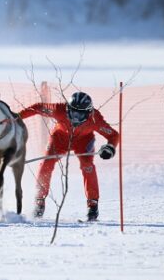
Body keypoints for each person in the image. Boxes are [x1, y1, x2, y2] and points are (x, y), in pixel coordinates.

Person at [18, 91, 119, 221]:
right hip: (59, 139)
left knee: (87, 166)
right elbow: (37, 108)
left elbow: (114, 135)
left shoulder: (95, 118)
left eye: (80, 114)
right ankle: (39, 200)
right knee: (46, 163)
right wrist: (18, 116)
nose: (75, 117)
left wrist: (110, 148)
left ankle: (92, 205)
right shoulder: (59, 110)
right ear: (68, 108)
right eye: (73, 112)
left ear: (88, 112)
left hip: (83, 142)